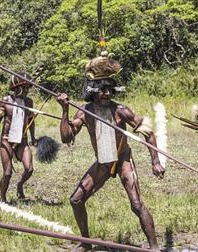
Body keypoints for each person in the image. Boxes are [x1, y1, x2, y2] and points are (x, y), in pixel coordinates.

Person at [56, 55, 165, 251]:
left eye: (109, 89)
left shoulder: (120, 111)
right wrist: (64, 110)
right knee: (76, 200)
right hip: (103, 163)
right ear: (93, 91)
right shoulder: (84, 112)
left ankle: (154, 247)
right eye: (101, 90)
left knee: (137, 205)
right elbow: (66, 137)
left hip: (122, 160)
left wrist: (155, 161)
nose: (106, 94)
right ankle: (86, 242)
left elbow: (147, 132)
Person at [0, 74, 36, 203]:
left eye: (28, 87)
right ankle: (2, 198)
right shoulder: (6, 100)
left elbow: (31, 120)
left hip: (22, 140)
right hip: (7, 139)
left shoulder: (28, 102)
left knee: (29, 169)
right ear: (16, 88)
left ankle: (20, 185)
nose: (27, 90)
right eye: (24, 87)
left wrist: (33, 137)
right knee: (7, 173)